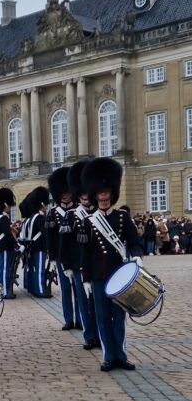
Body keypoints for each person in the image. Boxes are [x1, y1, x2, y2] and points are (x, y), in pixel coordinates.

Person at [81, 157, 142, 372]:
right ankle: (108, 355)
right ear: (96, 194)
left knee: (119, 317)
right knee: (103, 317)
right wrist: (86, 278)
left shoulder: (123, 217)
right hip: (98, 276)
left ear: (112, 193)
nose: (104, 195)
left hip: (119, 275)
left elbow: (134, 242)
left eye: (107, 191)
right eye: (100, 192)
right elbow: (85, 253)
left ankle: (121, 355)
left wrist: (136, 256)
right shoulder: (88, 222)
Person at [66, 159, 100, 351]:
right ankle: (89, 335)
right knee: (84, 302)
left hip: (97, 265)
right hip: (79, 266)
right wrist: (66, 265)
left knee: (98, 304)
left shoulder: (99, 213)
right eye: (83, 193)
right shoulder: (72, 215)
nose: (86, 196)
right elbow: (66, 244)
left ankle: (99, 334)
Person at [45, 167, 77, 329]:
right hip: (60, 255)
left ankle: (80, 319)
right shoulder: (53, 212)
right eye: (63, 192)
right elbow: (50, 236)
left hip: (77, 254)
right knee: (65, 288)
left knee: (78, 289)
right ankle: (68, 319)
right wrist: (51, 257)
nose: (66, 195)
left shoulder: (78, 209)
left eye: (68, 191)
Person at [0, 187, 18, 299]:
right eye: (9, 205)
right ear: (5, 205)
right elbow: (8, 235)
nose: (10, 207)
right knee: (5, 269)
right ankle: (5, 292)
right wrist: (17, 245)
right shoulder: (3, 218)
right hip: (5, 247)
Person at [28, 187, 51, 297]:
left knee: (35, 269)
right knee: (40, 270)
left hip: (33, 246)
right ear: (42, 203)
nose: (47, 205)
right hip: (40, 246)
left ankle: (35, 289)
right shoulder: (40, 218)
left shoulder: (33, 216)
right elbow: (46, 233)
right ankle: (41, 290)